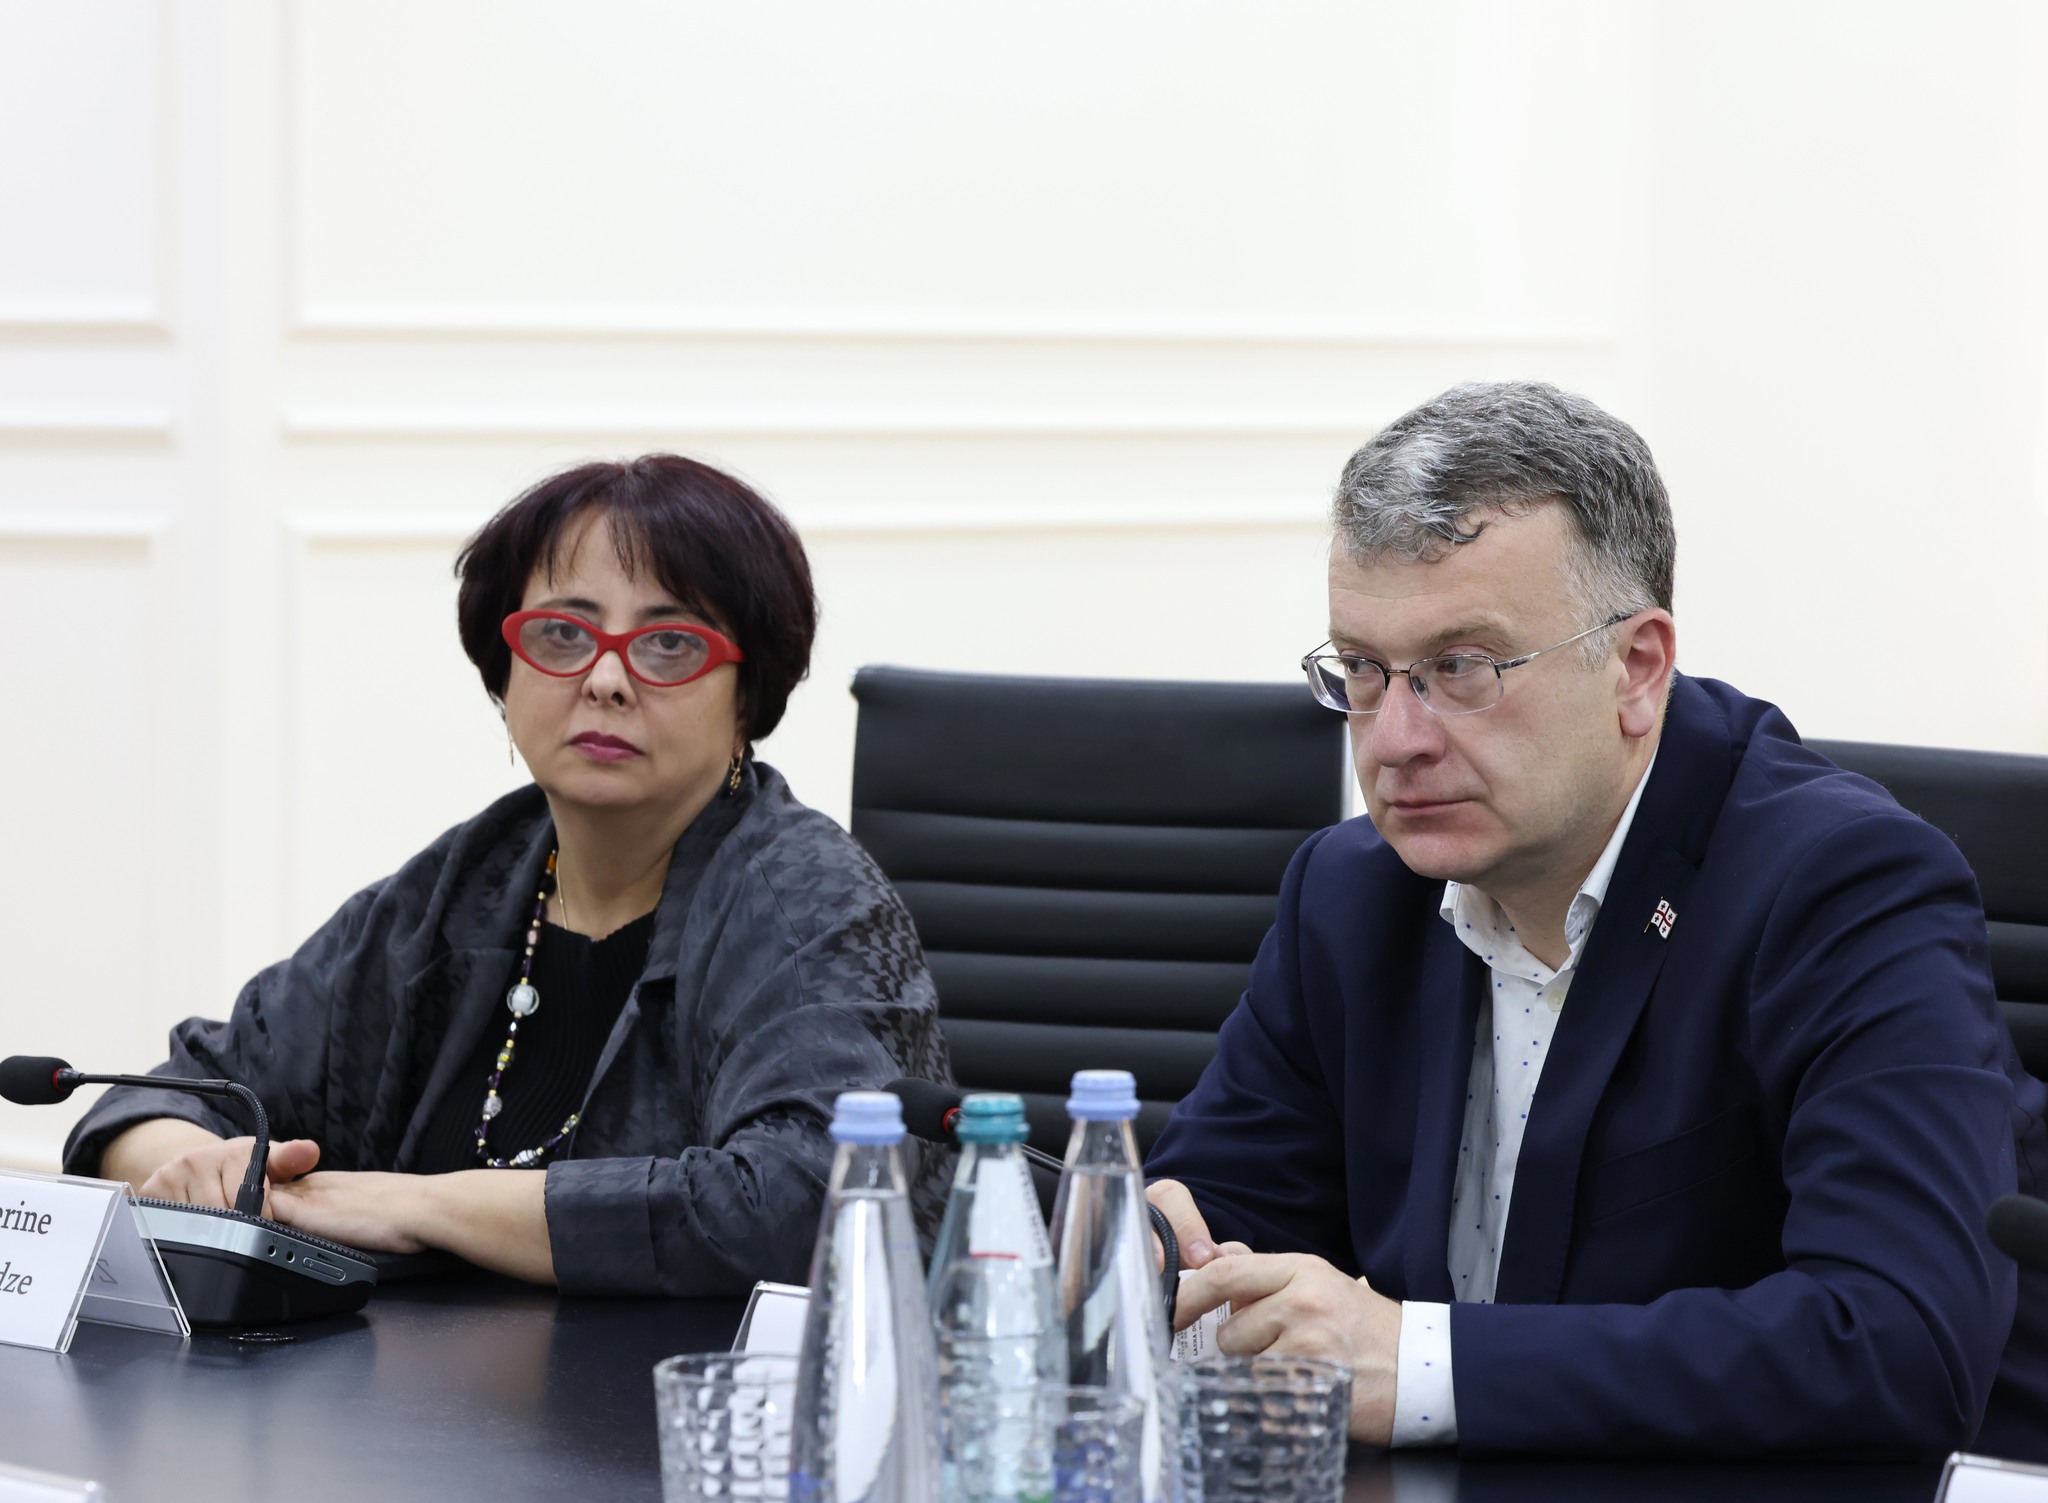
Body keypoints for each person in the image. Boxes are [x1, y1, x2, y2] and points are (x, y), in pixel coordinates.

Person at [1145, 382, 2048, 1457]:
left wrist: (1416, 1361)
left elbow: (1899, 1343)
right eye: (1364, 671)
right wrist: (1151, 1245)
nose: (1393, 740)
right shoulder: (1351, 892)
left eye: (1460, 668)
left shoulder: (1843, 889)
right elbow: (1224, 1211)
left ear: (1635, 668)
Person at [66, 454, 953, 1294]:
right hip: (414, 1396)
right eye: (563, 634)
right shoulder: (470, 882)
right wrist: (194, 1166)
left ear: (747, 696)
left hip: (688, 1397)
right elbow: (173, 1093)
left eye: (669, 644)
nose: (606, 679)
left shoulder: (806, 902)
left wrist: (417, 1206)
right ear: (506, 673)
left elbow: (815, 1198)